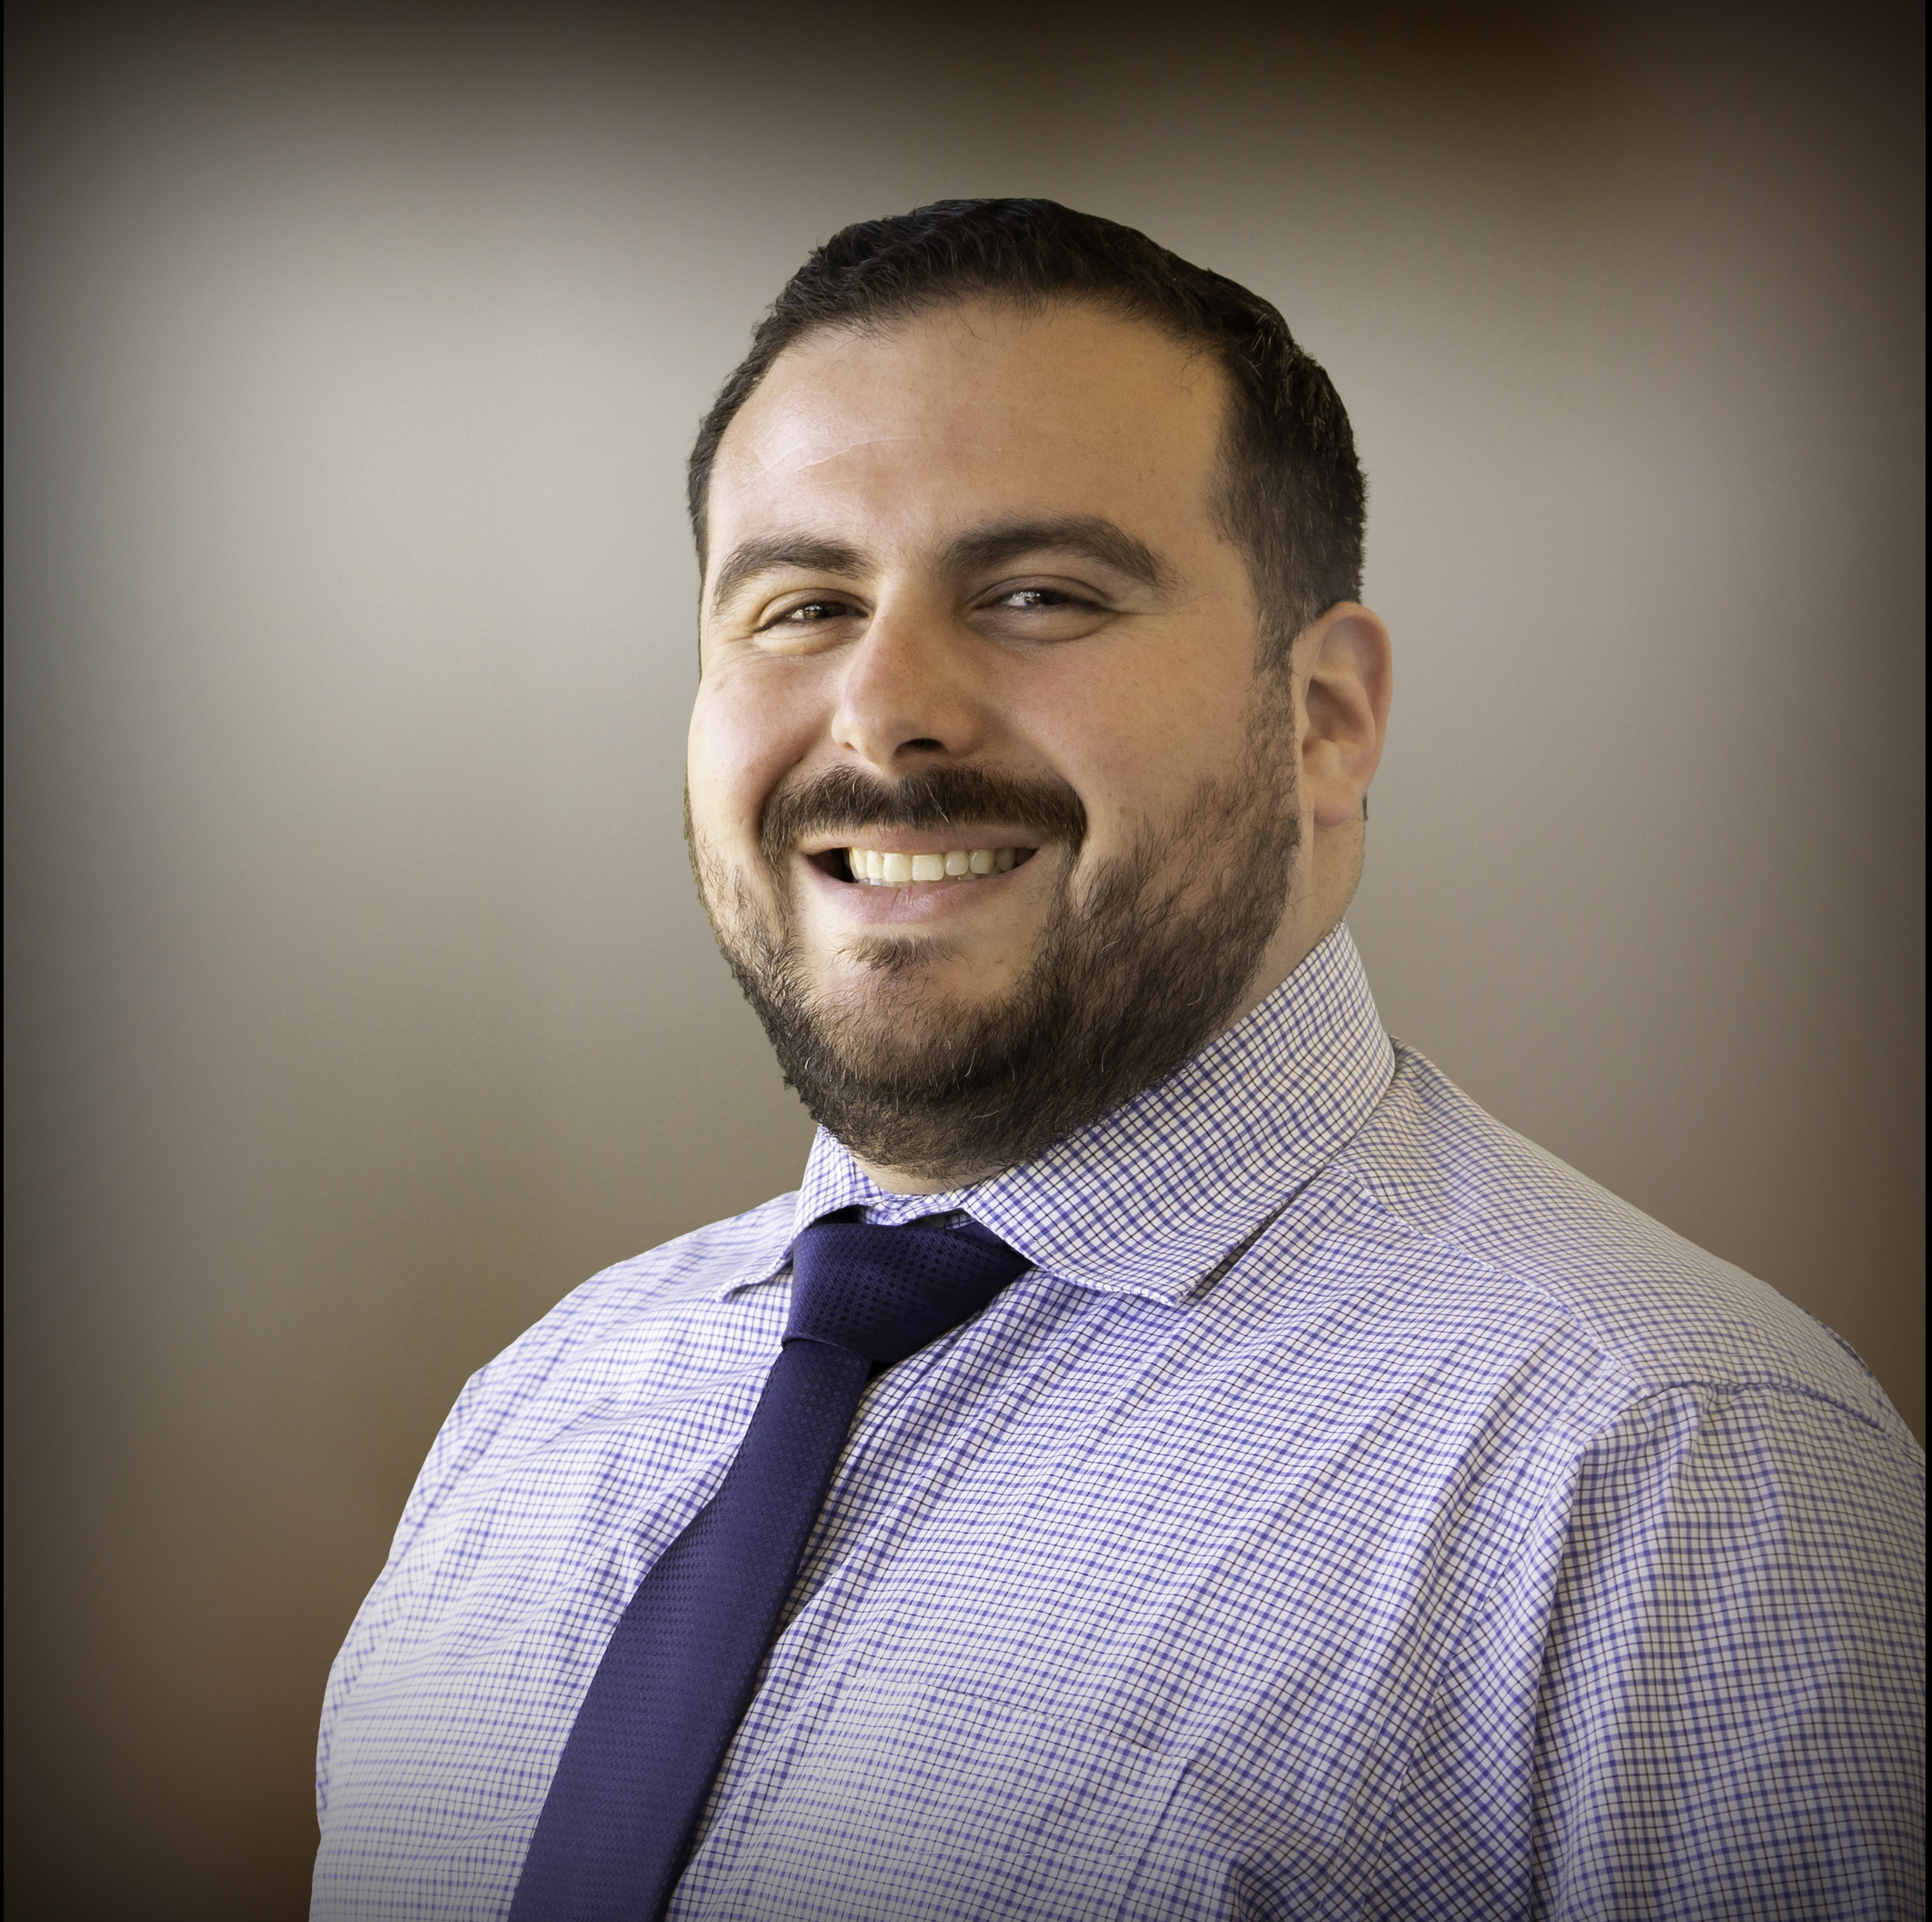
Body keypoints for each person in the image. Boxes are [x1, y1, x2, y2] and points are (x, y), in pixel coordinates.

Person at [310, 200, 1923, 1921]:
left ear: (1325, 719)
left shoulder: (1669, 1468)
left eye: (1037, 596)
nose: (883, 711)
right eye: (801, 606)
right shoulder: (545, 1410)